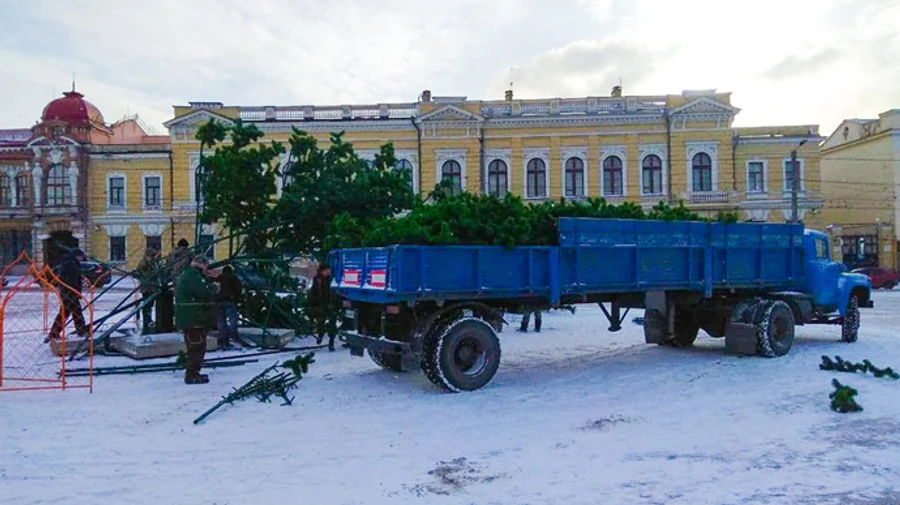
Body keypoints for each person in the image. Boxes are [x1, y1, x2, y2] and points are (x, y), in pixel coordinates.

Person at [175, 255, 218, 385]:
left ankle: (194, 373)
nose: (207, 269)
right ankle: (192, 375)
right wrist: (214, 287)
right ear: (201, 264)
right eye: (206, 266)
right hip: (193, 318)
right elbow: (203, 292)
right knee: (196, 347)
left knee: (197, 346)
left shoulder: (190, 274)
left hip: (194, 317)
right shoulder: (192, 276)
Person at [48, 248, 89, 341]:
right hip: (70, 293)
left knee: (71, 313)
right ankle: (80, 331)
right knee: (73, 313)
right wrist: (77, 292)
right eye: (81, 257)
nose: (81, 260)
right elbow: (73, 280)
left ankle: (55, 333)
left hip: (67, 293)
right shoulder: (71, 265)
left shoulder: (68, 262)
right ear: (77, 256)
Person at [307, 263, 338, 351]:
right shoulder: (317, 280)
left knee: (332, 324)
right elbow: (313, 292)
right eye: (326, 270)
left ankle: (331, 343)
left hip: (331, 305)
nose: (328, 272)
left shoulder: (333, 280)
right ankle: (320, 335)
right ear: (321, 271)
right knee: (320, 322)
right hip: (321, 304)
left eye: (328, 270)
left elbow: (334, 293)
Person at [215, 265, 242, 348]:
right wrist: (236, 298)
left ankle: (223, 339)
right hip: (230, 301)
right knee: (233, 320)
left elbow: (213, 286)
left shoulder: (219, 278)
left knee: (221, 321)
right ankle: (234, 337)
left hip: (219, 302)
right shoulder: (234, 278)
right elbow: (239, 289)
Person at [135, 247, 161, 334]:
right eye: (152, 255)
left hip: (151, 286)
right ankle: (146, 320)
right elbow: (141, 272)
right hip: (147, 287)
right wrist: (150, 275)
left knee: (150, 304)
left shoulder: (152, 262)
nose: (154, 257)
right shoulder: (144, 262)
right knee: (147, 304)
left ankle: (148, 319)